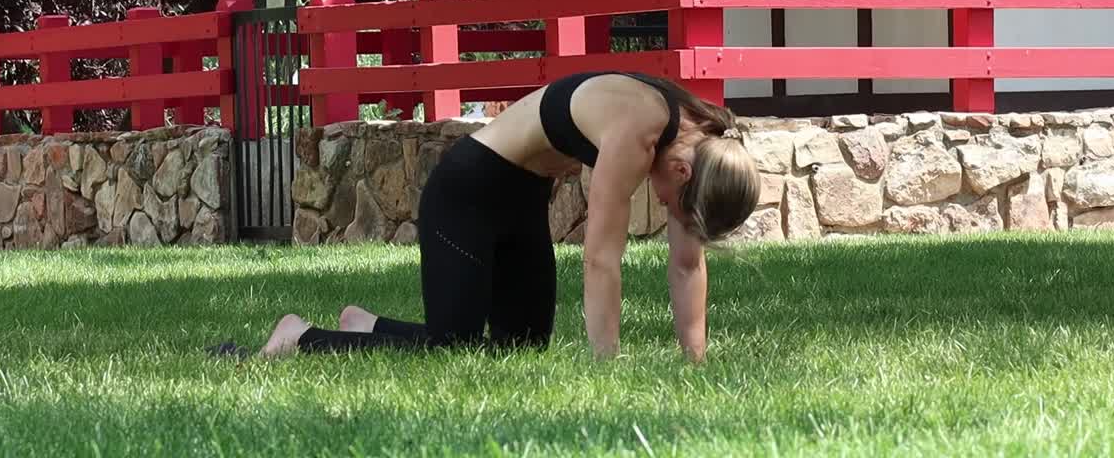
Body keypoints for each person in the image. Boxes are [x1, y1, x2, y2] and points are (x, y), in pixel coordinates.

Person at [253, 71, 761, 362]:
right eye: (675, 204)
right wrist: (607, 367)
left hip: (523, 197)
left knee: (521, 348)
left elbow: (687, 263)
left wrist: (696, 362)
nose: (668, 209)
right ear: (680, 172)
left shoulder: (702, 144)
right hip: (468, 189)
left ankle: (365, 324)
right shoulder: (641, 132)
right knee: (455, 347)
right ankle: (298, 336)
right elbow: (601, 260)